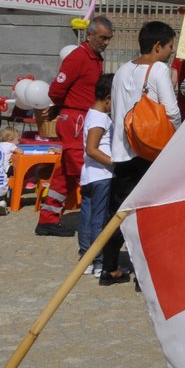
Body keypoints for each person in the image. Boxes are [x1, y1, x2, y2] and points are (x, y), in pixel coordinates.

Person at [100, 21, 182, 287]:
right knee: (149, 214)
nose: (171, 51)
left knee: (119, 212)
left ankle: (109, 267)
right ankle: (144, 275)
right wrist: (177, 137)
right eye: (170, 46)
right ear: (158, 46)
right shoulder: (159, 69)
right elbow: (172, 111)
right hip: (150, 153)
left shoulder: (122, 70)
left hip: (122, 152)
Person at [38, 15, 114, 237]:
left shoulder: (94, 57)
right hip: (76, 121)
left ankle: (48, 219)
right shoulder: (78, 57)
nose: (106, 43)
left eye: (109, 39)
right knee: (86, 170)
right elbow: (56, 90)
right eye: (102, 38)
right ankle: (97, 219)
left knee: (65, 174)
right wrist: (62, 106)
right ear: (89, 35)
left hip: (81, 118)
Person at [77, 74, 115, 277]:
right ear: (108, 97)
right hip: (101, 175)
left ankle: (86, 257)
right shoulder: (100, 118)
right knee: (98, 220)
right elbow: (92, 149)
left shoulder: (92, 114)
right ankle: (98, 260)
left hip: (90, 175)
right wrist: (114, 164)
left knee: (88, 218)